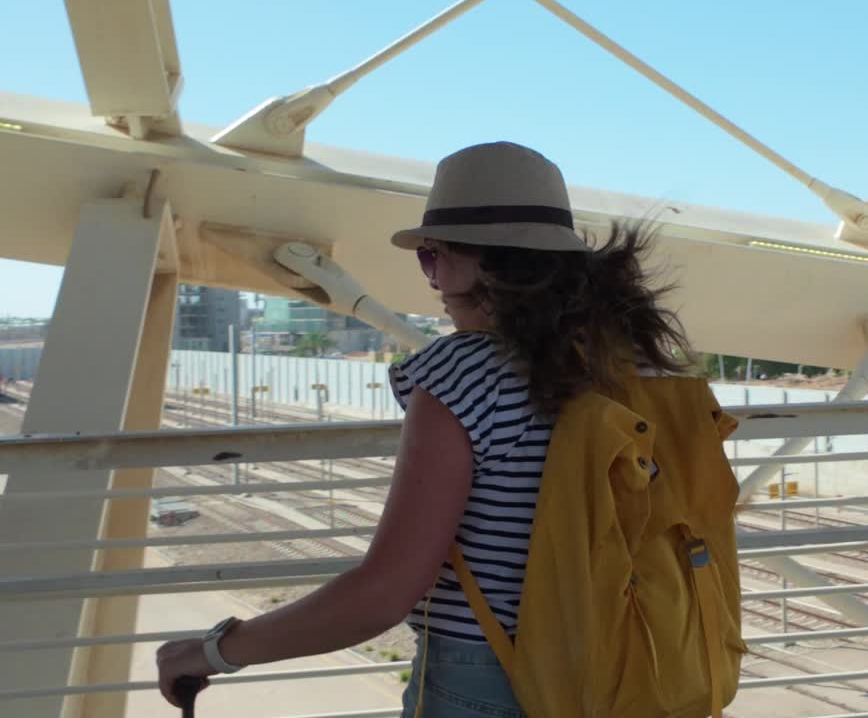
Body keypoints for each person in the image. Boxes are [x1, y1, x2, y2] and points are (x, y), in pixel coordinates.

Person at [156, 142, 696, 717]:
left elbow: (383, 594)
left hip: (494, 678)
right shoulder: (643, 371)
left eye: (434, 257)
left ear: (489, 265)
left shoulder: (462, 374)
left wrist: (215, 651)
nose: (432, 283)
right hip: (643, 662)